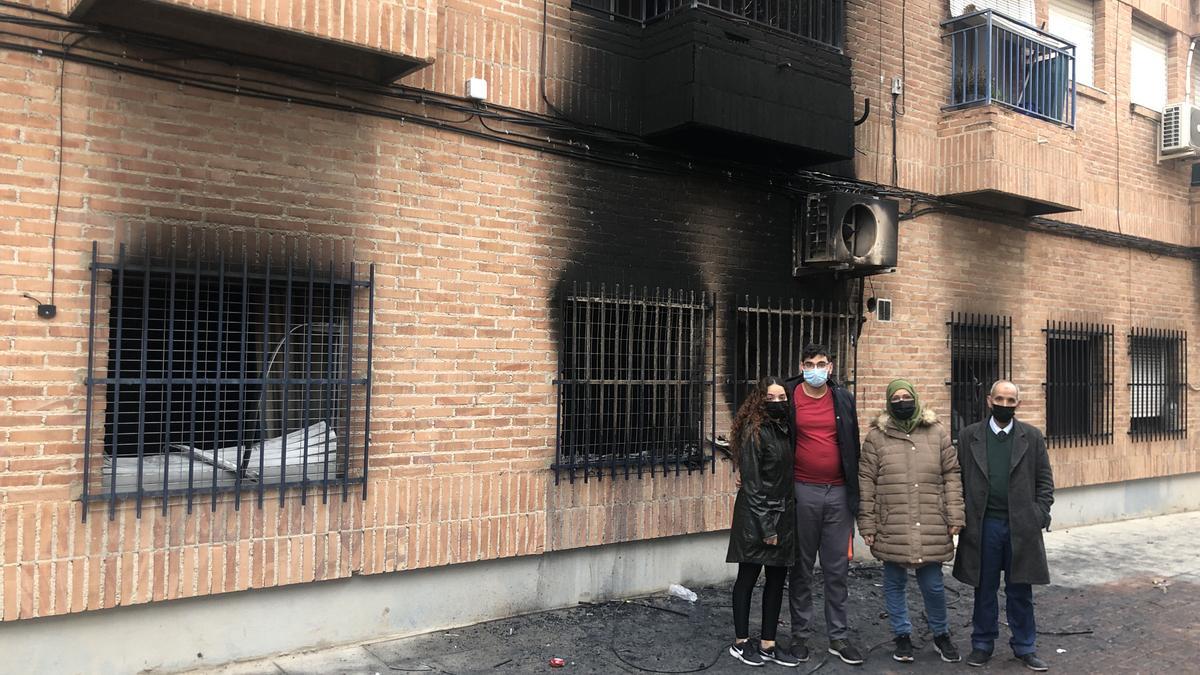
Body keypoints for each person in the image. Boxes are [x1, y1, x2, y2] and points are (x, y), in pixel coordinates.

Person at [857, 379, 964, 664]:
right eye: (896, 397)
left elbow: (952, 474)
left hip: (931, 519)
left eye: (906, 396)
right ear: (889, 402)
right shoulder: (876, 437)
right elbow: (866, 482)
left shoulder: (936, 431)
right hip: (891, 522)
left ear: (915, 398)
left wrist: (955, 515)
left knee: (933, 585)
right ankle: (901, 636)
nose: (901, 401)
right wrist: (867, 524)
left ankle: (941, 634)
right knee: (894, 583)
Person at [953, 380, 1055, 672]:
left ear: (1018, 404)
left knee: (1020, 589)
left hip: (1021, 527)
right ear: (989, 400)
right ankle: (982, 644)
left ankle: (1025, 647)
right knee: (983, 588)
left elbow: (1045, 481)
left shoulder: (1032, 437)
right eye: (1000, 399)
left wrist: (1039, 514)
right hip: (983, 526)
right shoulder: (970, 435)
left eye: (1011, 401)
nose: (1005, 405)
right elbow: (958, 481)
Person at [783, 344, 865, 665]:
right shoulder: (789, 396)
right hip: (802, 491)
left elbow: (852, 443)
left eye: (821, 363)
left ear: (830, 367)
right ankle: (800, 635)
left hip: (839, 494)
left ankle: (838, 637)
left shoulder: (843, 398)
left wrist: (855, 493)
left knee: (836, 569)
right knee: (801, 568)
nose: (815, 368)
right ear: (801, 366)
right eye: (809, 363)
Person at [725, 376, 801, 667]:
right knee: (748, 577)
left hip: (781, 516)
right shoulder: (754, 430)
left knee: (776, 579)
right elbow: (754, 485)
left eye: (783, 397)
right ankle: (741, 642)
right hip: (756, 518)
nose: (779, 402)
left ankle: (768, 642)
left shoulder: (784, 429)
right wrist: (767, 528)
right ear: (760, 399)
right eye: (772, 397)